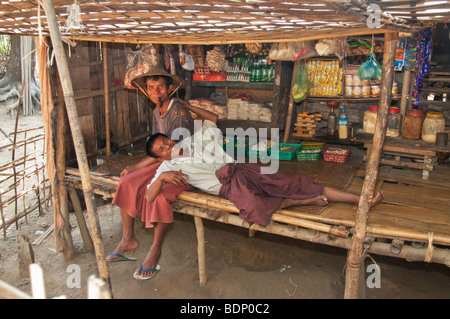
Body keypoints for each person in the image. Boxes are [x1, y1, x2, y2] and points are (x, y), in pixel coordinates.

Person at [146, 116, 384, 238]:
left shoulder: (191, 140)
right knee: (254, 209)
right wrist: (162, 177)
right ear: (158, 158)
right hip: (226, 188)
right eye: (161, 149)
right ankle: (300, 202)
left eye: (166, 141)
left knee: (294, 183)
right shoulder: (165, 167)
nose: (167, 147)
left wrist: (190, 107)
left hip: (242, 169)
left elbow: (212, 120)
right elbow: (148, 197)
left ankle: (358, 199)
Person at [107, 65, 216, 281]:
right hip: (165, 161)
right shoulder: (157, 111)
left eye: (160, 87)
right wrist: (136, 169)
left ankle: (155, 249)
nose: (156, 92)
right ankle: (128, 238)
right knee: (127, 182)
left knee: (158, 194)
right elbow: (159, 149)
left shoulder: (179, 111)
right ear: (146, 91)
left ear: (169, 89)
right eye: (151, 88)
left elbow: (170, 151)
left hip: (184, 163)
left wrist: (138, 166)